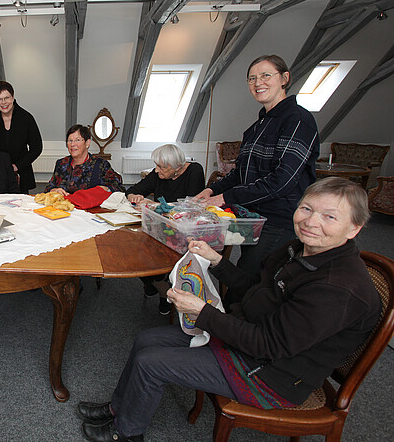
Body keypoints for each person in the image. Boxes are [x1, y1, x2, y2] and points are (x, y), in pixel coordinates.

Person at [76, 177, 379, 442]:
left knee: (151, 362)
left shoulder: (338, 289)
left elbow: (268, 345)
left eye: (329, 217)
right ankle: (118, 408)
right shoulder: (296, 250)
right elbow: (255, 289)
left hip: (273, 375)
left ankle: (127, 431)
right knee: (145, 340)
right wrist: (217, 261)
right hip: (247, 339)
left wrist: (202, 312)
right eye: (307, 209)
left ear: (354, 228)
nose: (311, 222)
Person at [194, 54, 320, 284]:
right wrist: (212, 190)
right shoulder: (258, 126)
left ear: (284, 78)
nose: (258, 83)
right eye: (252, 79)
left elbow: (282, 181)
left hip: (280, 219)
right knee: (243, 276)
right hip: (253, 216)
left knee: (249, 283)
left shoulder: (298, 120)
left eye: (265, 75)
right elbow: (240, 172)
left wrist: (226, 197)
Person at [125, 144, 205, 315]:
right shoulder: (158, 173)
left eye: (162, 167)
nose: (157, 170)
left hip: (183, 232)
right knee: (132, 249)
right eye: (157, 165)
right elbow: (132, 190)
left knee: (152, 254)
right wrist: (136, 197)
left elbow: (190, 207)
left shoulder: (194, 171)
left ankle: (161, 290)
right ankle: (155, 284)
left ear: (177, 168)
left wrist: (155, 205)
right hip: (160, 227)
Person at [0, 81, 43, 194]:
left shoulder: (26, 118)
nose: (4, 102)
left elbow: (37, 147)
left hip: (21, 172)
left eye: (7, 98)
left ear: (13, 97)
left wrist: (17, 166)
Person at [45, 124, 125, 195]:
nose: (73, 144)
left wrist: (105, 189)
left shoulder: (101, 164)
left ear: (87, 143)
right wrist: (54, 190)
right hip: (64, 207)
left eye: (78, 140)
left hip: (90, 209)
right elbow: (49, 188)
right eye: (70, 141)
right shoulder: (61, 163)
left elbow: (119, 189)